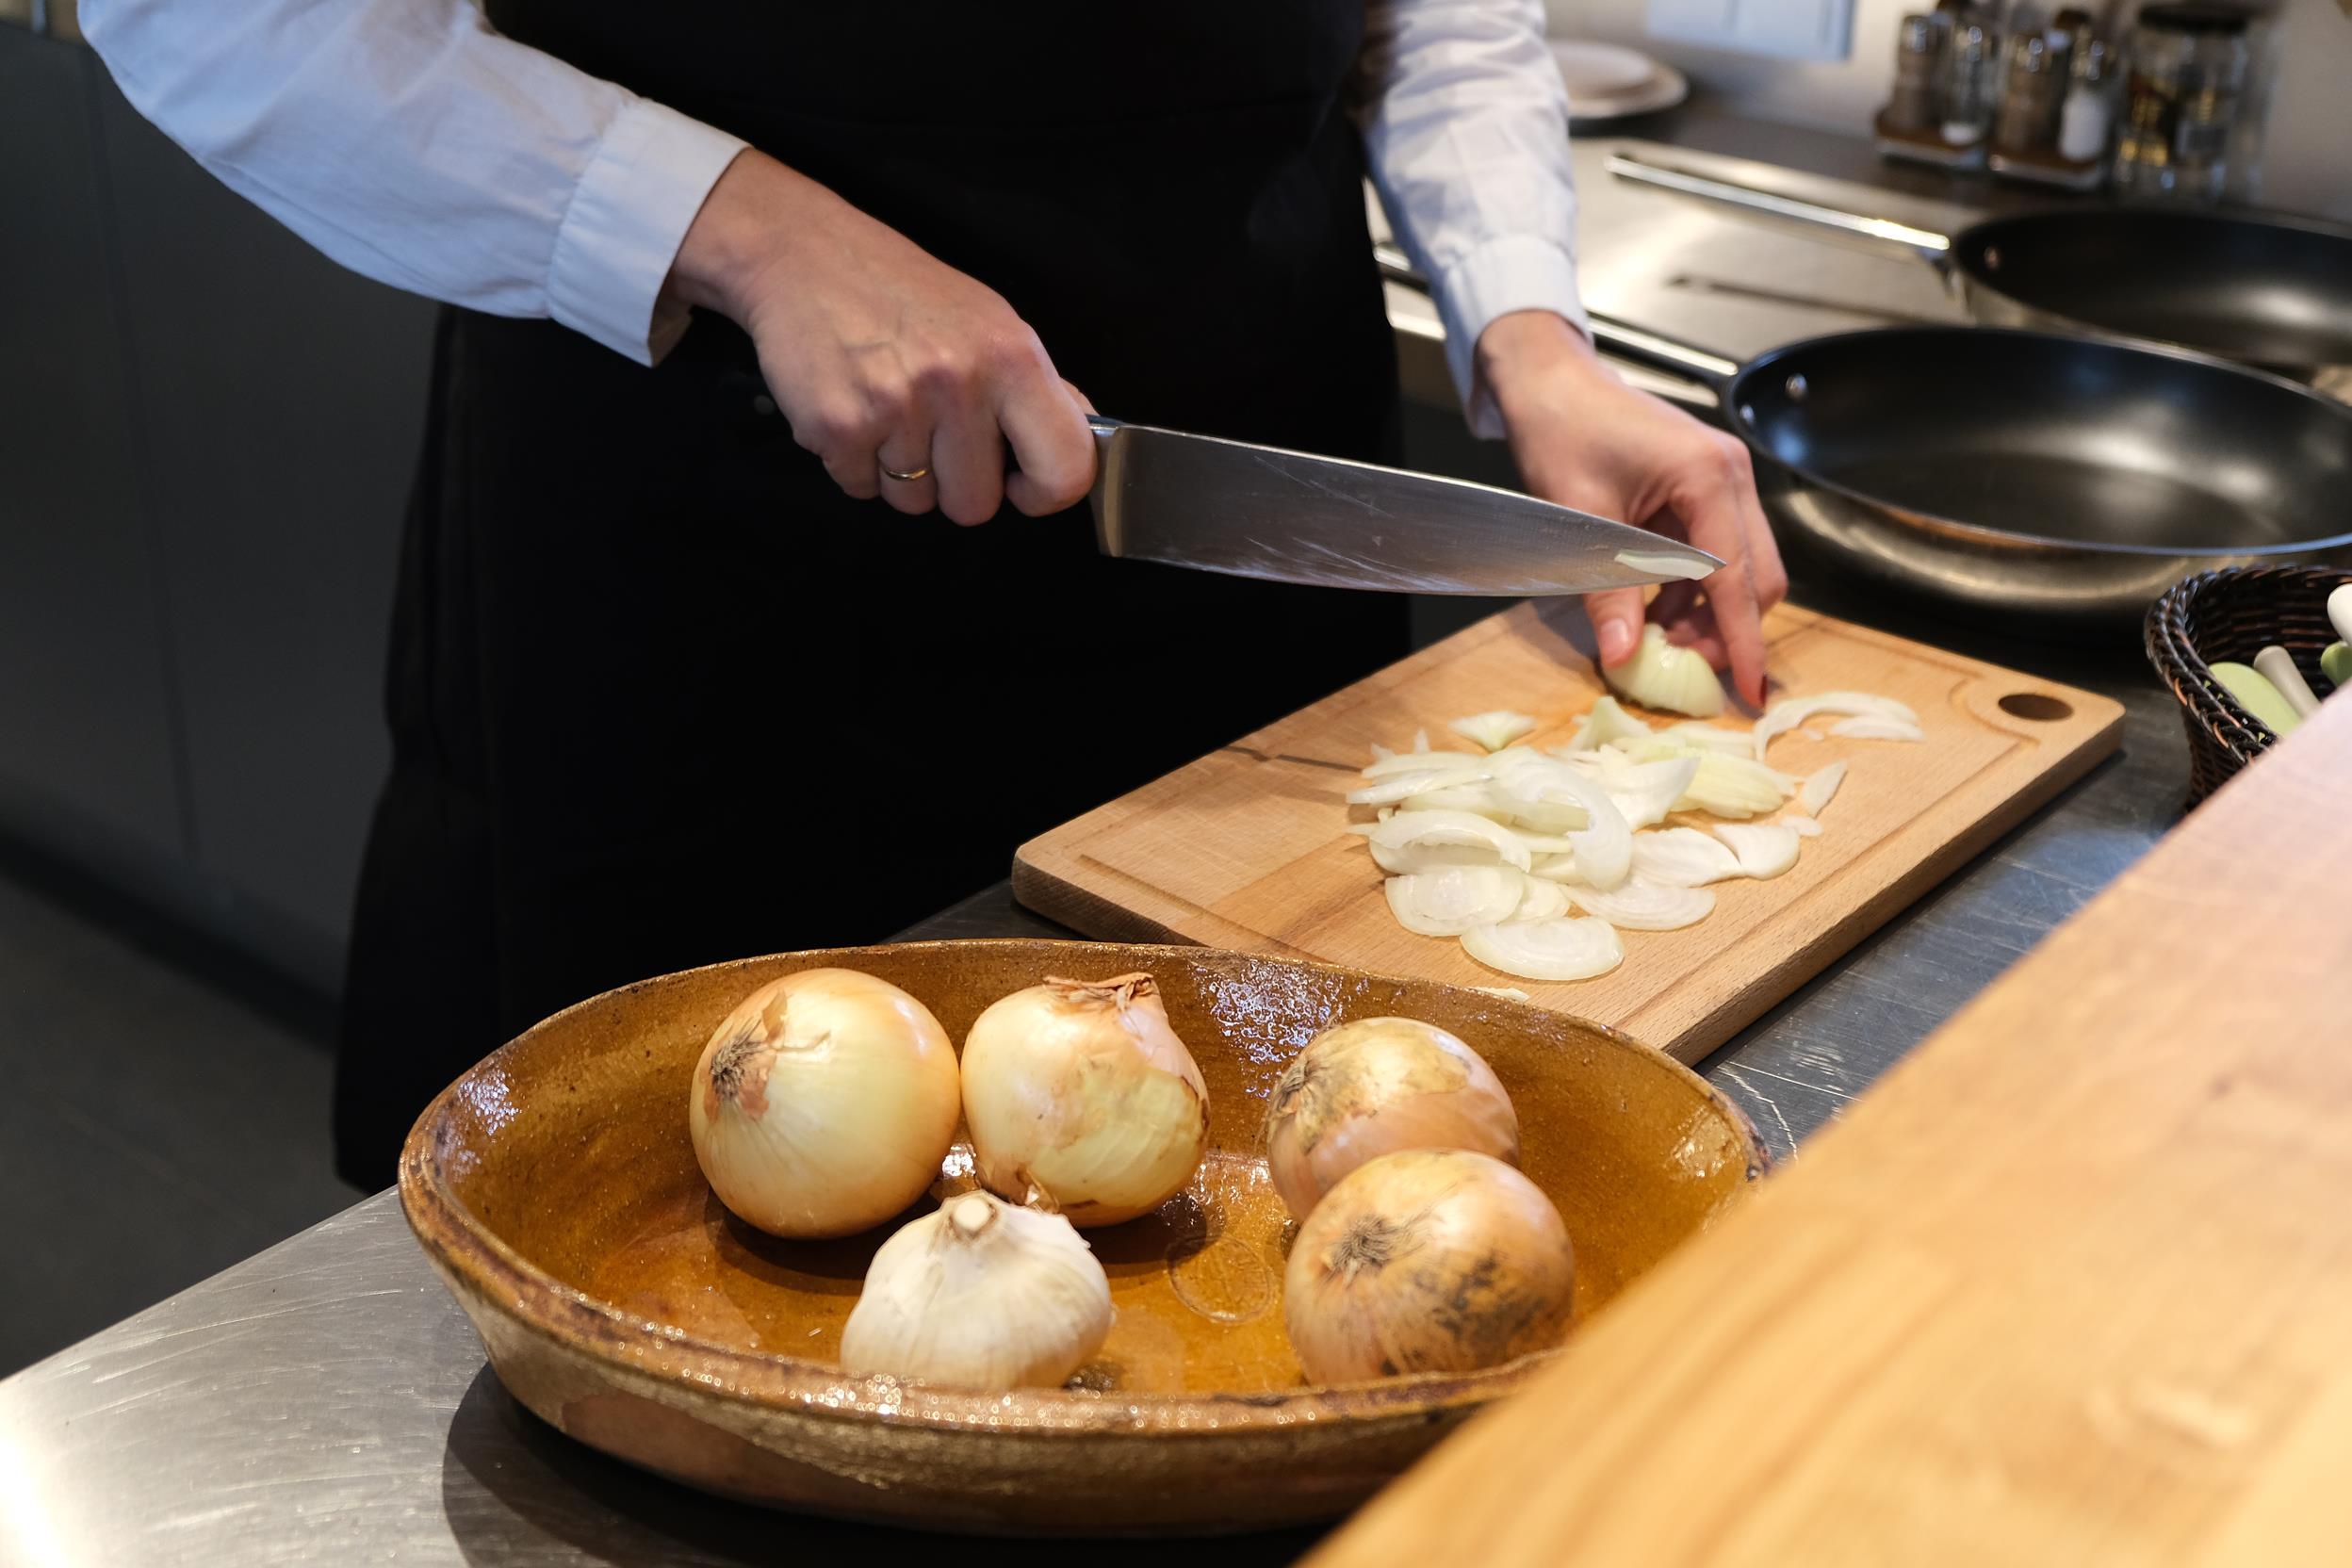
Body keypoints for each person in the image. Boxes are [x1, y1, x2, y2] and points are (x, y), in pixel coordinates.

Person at [84, 0, 1787, 1188]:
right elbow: (214, 16)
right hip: (709, 577)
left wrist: (1531, 333)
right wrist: (741, 229)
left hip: (1244, 567)